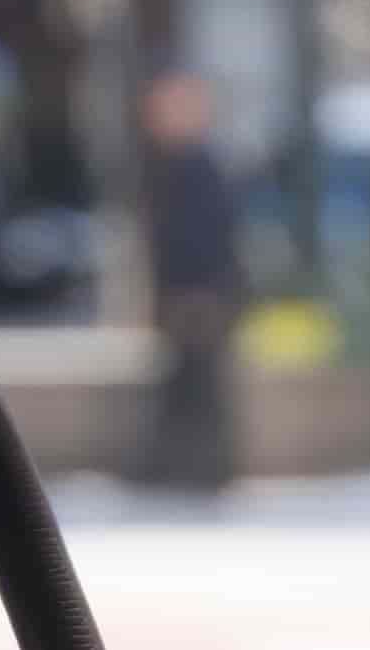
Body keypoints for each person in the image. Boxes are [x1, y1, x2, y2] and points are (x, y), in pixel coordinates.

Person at [138, 66, 248, 494]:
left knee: (203, 385)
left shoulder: (203, 167)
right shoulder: (165, 165)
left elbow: (209, 239)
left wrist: (207, 294)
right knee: (183, 383)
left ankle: (205, 470)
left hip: (202, 295)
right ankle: (180, 467)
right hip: (182, 294)